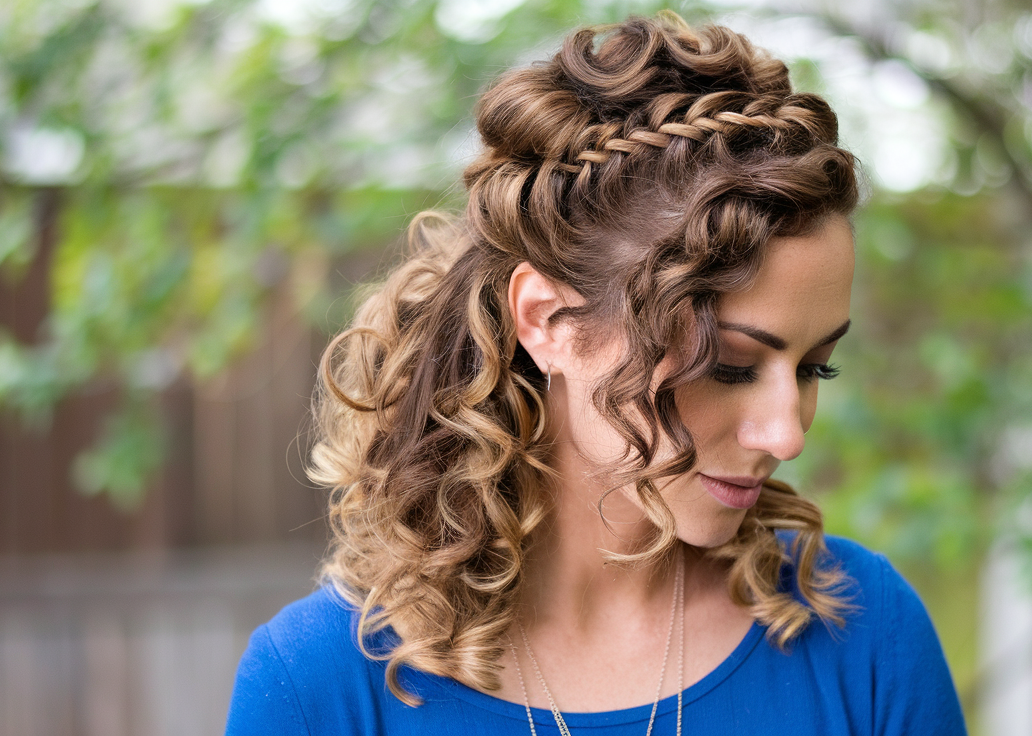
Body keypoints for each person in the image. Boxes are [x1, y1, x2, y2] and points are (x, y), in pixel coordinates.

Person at [226, 12, 966, 736]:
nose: (787, 433)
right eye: (731, 367)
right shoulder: (318, 688)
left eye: (815, 368)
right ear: (548, 321)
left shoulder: (862, 633)